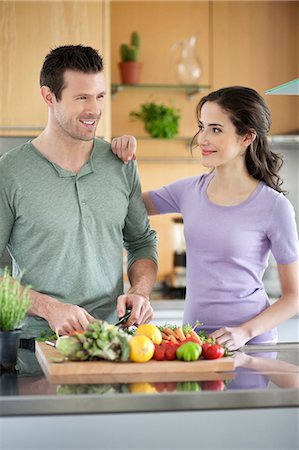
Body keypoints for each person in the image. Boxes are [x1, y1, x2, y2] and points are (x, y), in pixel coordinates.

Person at [112, 86, 299, 350]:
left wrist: (244, 332)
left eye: (216, 129)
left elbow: (294, 297)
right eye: (201, 127)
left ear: (247, 137)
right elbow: (124, 206)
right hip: (194, 340)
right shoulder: (188, 191)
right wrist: (124, 160)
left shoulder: (274, 206)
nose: (202, 139)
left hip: (250, 343)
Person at [0, 45, 158, 341]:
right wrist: (49, 308)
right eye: (82, 98)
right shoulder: (9, 173)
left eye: (99, 96)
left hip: (114, 344)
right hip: (38, 350)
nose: (94, 110)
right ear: (49, 97)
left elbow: (142, 242)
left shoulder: (121, 163)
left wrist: (140, 292)